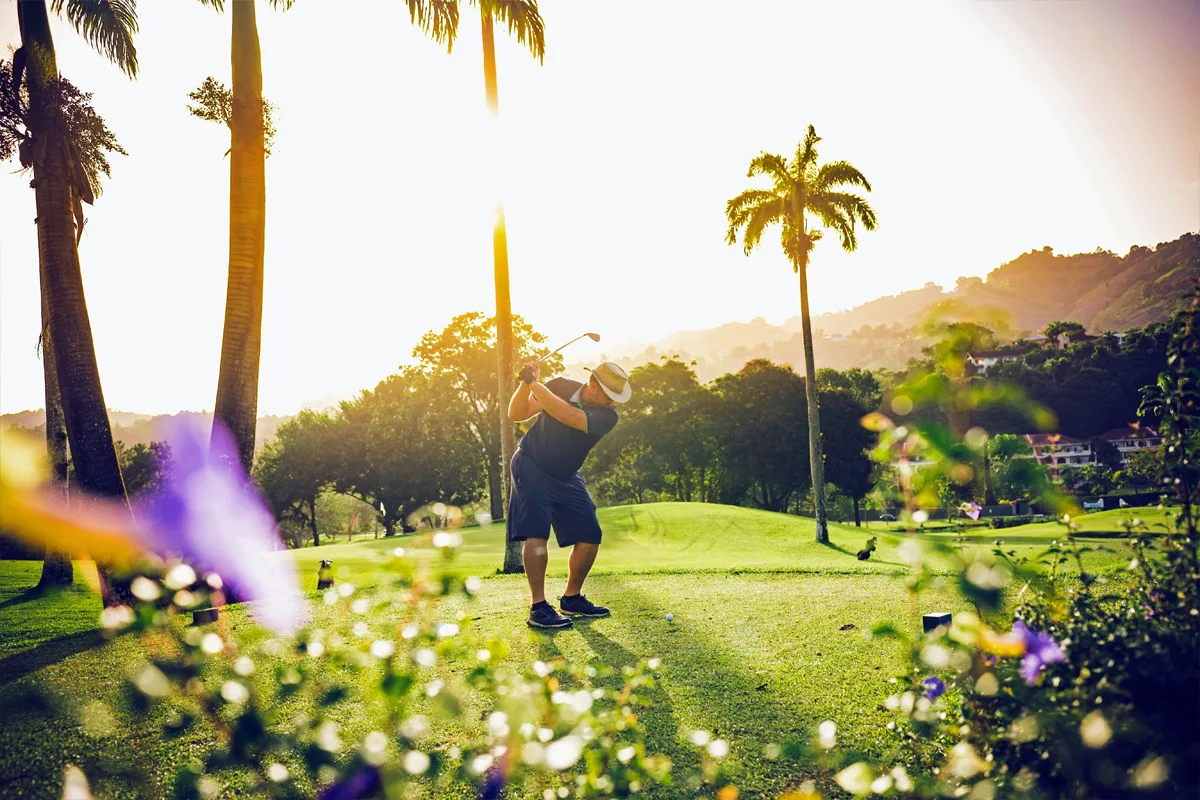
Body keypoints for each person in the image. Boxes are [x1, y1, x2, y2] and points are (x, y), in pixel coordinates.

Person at [506, 359, 632, 629]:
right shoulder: (559, 386)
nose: (612, 402)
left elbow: (567, 415)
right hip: (532, 464)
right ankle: (538, 607)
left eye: (615, 397)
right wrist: (523, 385)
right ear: (593, 384)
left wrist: (533, 383)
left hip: (566, 474)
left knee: (590, 533)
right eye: (609, 395)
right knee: (537, 534)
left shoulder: (608, 416)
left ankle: (571, 598)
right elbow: (516, 414)